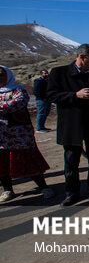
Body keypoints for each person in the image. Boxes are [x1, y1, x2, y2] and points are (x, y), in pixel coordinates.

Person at [47, 44, 89, 206]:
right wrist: (75, 95)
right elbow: (51, 95)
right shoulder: (59, 73)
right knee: (71, 160)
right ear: (82, 57)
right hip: (71, 124)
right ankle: (72, 193)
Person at [0, 66, 54, 202]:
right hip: (1, 136)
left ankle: (43, 187)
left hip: (19, 134)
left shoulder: (18, 90)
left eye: (1, 74)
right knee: (2, 163)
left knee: (28, 160)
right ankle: (7, 189)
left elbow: (17, 104)